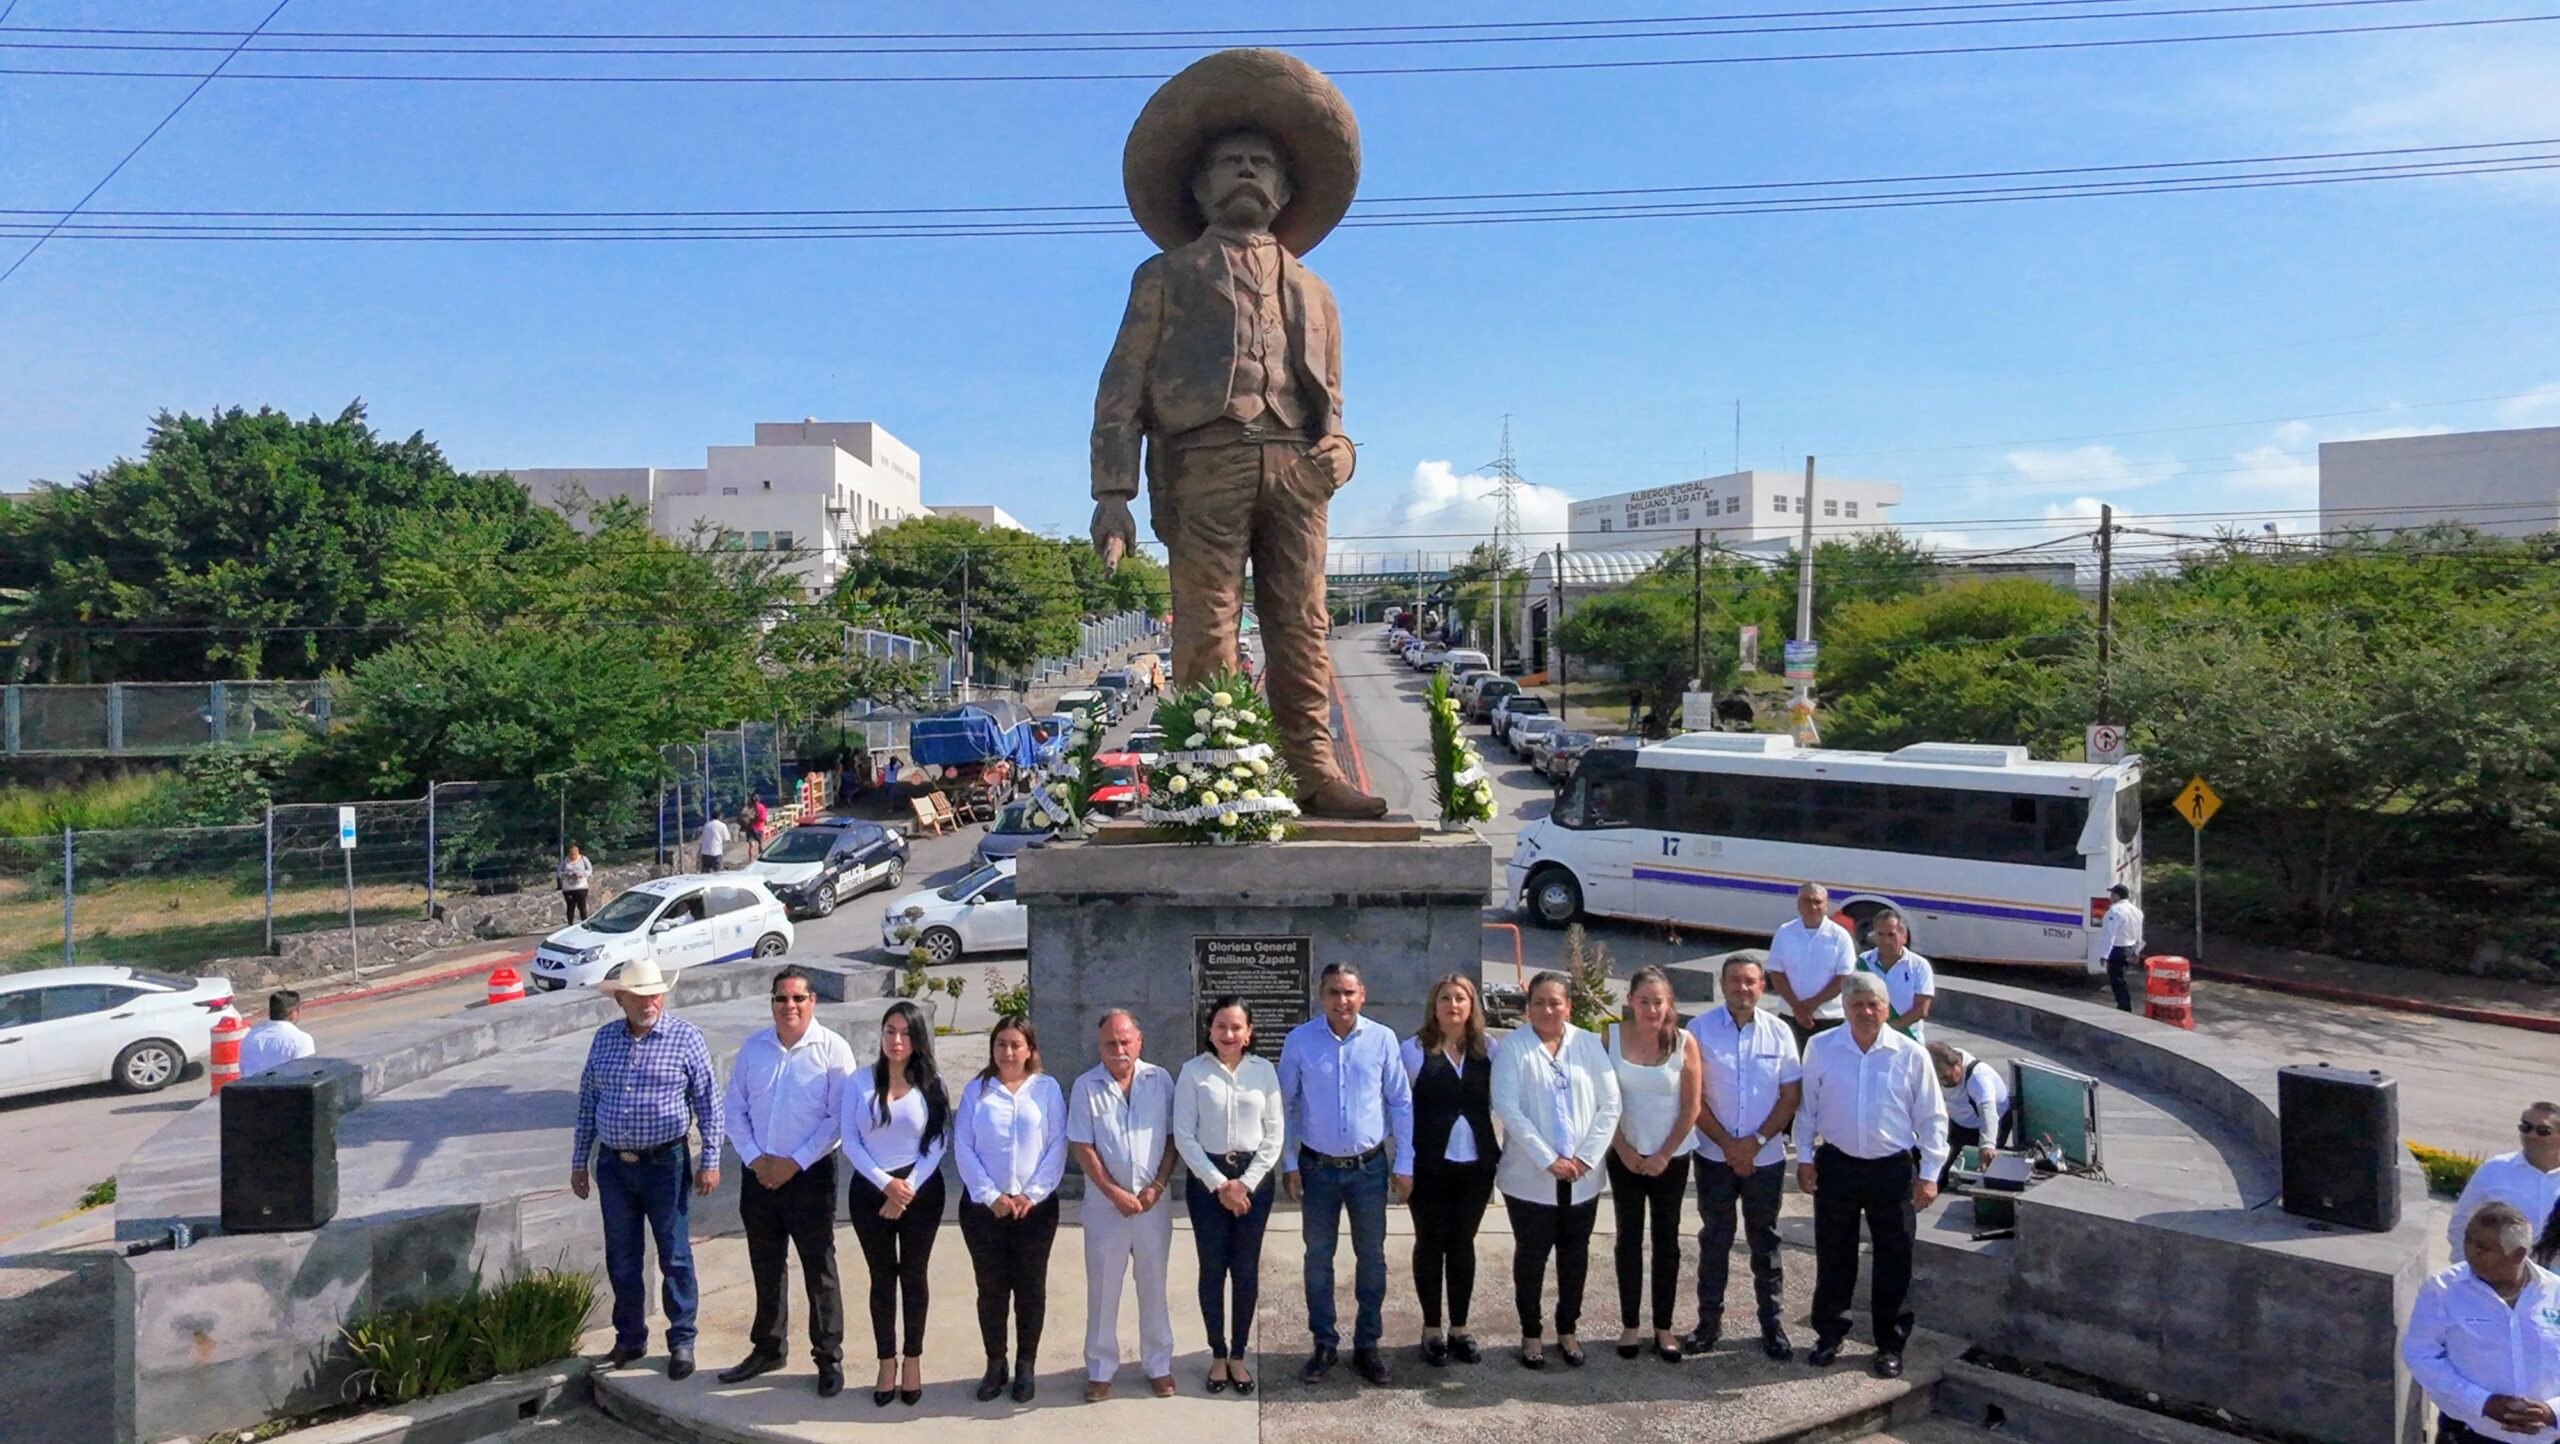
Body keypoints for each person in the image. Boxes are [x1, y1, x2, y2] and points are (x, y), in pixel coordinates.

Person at [1087, 51, 1387, 820]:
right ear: (1198, 187)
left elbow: (1334, 409)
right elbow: (1122, 387)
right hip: (1201, 463)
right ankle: (1214, 770)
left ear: (1285, 191)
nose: (1248, 171)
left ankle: (1312, 769)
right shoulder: (1164, 276)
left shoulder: (1316, 291)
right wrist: (1113, 493)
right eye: (1230, 162)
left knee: (1302, 623)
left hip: (1297, 471)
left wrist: (1340, 456)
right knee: (1208, 623)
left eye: (1263, 164)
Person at [570, 958, 722, 1378]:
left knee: (675, 1254)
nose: (648, 1003)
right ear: (620, 999)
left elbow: (709, 1102)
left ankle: (682, 1340)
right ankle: (630, 1338)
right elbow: (588, 1103)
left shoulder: (686, 1038)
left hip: (665, 1164)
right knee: (622, 1256)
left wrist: (710, 1160)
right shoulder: (604, 1040)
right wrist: (579, 1161)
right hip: (614, 1165)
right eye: (638, 996)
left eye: (655, 994)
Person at [1793, 971, 1947, 1379]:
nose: (1865, 1011)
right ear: (1845, 1008)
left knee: (1895, 1259)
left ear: (1886, 1008)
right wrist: (1804, 1157)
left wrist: (1930, 1173)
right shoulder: (1821, 1047)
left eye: (1873, 1004)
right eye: (1856, 1004)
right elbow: (1807, 1108)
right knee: (1834, 1254)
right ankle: (1829, 1334)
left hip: (1891, 1169)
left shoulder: (1910, 1054)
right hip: (1837, 1165)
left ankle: (1890, 1345)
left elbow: (1932, 1116)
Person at [716, 966, 857, 1396]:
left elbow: (838, 1118)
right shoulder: (754, 1049)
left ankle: (828, 1358)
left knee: (819, 1267)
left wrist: (794, 1163)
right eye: (781, 998)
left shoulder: (833, 1049)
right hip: (759, 1174)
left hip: (810, 1176)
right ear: (772, 1003)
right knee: (766, 1264)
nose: (789, 1006)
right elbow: (734, 1108)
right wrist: (756, 1159)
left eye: (798, 998)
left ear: (812, 1001)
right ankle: (768, 1348)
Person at [1277, 961, 1415, 1386]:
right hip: (1317, 1169)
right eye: (1334, 992)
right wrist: (1288, 1163)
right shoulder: (1300, 1040)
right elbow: (1284, 1105)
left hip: (1368, 1169)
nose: (1342, 1000)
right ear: (1321, 996)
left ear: (1362, 995)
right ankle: (1324, 1343)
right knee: (1318, 1258)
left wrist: (1404, 1163)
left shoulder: (1382, 1039)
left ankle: (1367, 1344)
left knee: (1371, 1258)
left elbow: (1400, 1103)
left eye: (1349, 992)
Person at [1491, 970, 1624, 1371]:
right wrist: (1548, 1158)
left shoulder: (1588, 1044)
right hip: (1529, 1178)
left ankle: (1568, 1329)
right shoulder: (1513, 1048)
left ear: (1568, 1006)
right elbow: (1508, 1108)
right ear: (1527, 1007)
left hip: (1582, 1178)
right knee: (1531, 1258)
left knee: (1574, 1257)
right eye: (1539, 1003)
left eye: (1555, 1002)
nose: (1547, 1010)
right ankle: (1531, 1333)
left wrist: (1584, 1158)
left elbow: (1610, 1104)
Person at [1684, 953, 1803, 1361]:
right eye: (1734, 980)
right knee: (1715, 1240)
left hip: (1765, 1158)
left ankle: (1772, 1326)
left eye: (1750, 981)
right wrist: (1729, 1145)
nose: (1742, 988)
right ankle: (1708, 1324)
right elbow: (1693, 1097)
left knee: (1765, 1242)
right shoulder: (1698, 1030)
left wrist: (1755, 1142)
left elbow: (1790, 1096)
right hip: (1714, 1156)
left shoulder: (1779, 1032)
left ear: (1762, 986)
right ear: (1722, 984)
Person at [839, 1000, 950, 1407]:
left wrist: (906, 1190)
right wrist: (886, 1185)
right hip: (871, 1189)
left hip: (921, 1192)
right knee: (882, 1278)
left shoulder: (932, 1082)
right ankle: (886, 1361)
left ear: (917, 1038)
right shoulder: (859, 1082)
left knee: (914, 1276)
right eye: (890, 1031)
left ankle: (913, 1360)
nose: (896, 1040)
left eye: (905, 1033)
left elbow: (938, 1141)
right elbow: (850, 1140)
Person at [1173, 996, 1284, 1394]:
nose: (1228, 1034)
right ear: (1210, 1030)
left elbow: (1274, 1134)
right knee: (1212, 1269)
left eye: (1237, 1027)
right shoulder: (1193, 1072)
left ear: (1249, 1032)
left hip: (1254, 1182)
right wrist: (1220, 1184)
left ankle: (1239, 1354)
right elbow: (1184, 1135)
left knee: (1245, 1270)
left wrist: (1245, 1183)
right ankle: (1217, 1353)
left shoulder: (1264, 1071)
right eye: (1221, 1026)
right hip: (1208, 1184)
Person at [954, 1015, 1066, 1404]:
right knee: (991, 1289)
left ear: (1030, 1049)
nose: (1007, 1052)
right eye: (1000, 1044)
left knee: (1031, 1289)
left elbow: (1057, 1145)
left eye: (1016, 1044)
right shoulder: (977, 1091)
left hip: (1034, 1211)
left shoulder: (1047, 1089)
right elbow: (963, 1147)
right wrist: (991, 1196)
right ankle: (995, 1363)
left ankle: (1026, 1365)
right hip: (985, 1211)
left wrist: (1030, 1195)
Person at [1068, 1009, 1179, 1402]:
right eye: (1110, 1043)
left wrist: (1157, 1186)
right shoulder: (1086, 1086)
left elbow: (1173, 1137)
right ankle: (1100, 1370)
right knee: (1103, 1289)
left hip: (1152, 1204)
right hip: (1105, 1208)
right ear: (1100, 1046)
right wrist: (1113, 1192)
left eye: (1125, 1041)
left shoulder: (1160, 1080)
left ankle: (1159, 1365)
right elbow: (1083, 1145)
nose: (1118, 1049)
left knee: (1154, 1286)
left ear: (1139, 1041)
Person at [1401, 973, 1500, 1368]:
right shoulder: (1413, 1051)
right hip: (1429, 1165)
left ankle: (1460, 1327)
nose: (1453, 1005)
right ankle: (1431, 1329)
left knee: (1462, 1243)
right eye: (1446, 998)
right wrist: (1402, 1165)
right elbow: (1401, 1111)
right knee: (1430, 1243)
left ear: (1472, 1005)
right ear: (1434, 1005)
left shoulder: (1488, 1049)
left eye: (1461, 998)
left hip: (1476, 1165)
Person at [1607, 965, 1702, 1362]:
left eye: (1658, 1002)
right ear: (1630, 1000)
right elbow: (1601, 1100)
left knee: (1667, 1241)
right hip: (1624, 1154)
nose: (1650, 1010)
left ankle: (1663, 1326)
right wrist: (1623, 1148)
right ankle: (1630, 1325)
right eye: (1643, 1001)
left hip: (1671, 1158)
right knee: (1628, 1239)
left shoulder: (1684, 1042)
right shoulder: (1609, 1036)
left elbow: (1692, 1105)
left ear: (1669, 1004)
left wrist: (1664, 1153)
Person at [2403, 1202, 2560, 1442]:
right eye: (2468, 1240)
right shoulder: (2443, 1290)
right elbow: (2420, 1355)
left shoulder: (2555, 1293)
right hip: (2469, 1435)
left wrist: (2551, 1413)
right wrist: (2481, 1402)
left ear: (2517, 1254)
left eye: (2483, 1248)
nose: (2470, 1252)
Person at [2451, 1103, 2560, 1252]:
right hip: (2498, 1266)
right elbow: (2461, 1223)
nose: (2532, 1135)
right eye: (2526, 1127)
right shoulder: (2494, 1169)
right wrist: (2470, 1263)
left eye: (2543, 1131)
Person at [1766, 883, 1856, 1052]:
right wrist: (1797, 1007)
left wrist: (1809, 1006)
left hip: (1830, 1019)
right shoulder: (1785, 932)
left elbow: (1843, 977)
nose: (1812, 906)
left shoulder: (1840, 936)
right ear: (1798, 904)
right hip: (1790, 1016)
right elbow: (1776, 973)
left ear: (1826, 905)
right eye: (1807, 901)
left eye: (1818, 901)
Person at [1927, 1041, 2011, 1185]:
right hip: (1959, 1122)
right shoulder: (1942, 1070)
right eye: (1939, 1079)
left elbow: (1988, 1113)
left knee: (1974, 1172)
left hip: (1988, 1125)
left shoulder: (1979, 1077)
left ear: (1957, 1063)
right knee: (1940, 1168)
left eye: (1946, 1077)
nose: (1943, 1083)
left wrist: (1987, 1145)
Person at [1856, 909, 1935, 1042]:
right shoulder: (1863, 962)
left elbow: (1921, 1009)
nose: (1886, 941)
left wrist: (1887, 1031)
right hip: (1868, 1038)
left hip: (1907, 1039)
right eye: (1880, 934)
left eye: (1891, 935)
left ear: (1904, 936)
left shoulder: (1919, 966)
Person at [238, 989, 316, 1079]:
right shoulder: (301, 1040)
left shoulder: (250, 1037)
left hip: (251, 1087)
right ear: (293, 1013)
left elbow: (244, 1070)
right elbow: (305, 1076)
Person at [2100, 884, 2146, 1013]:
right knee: (2121, 978)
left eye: (2112, 894)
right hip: (2130, 947)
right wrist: (2137, 951)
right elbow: (2139, 933)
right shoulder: (2136, 911)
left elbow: (2110, 934)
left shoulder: (2115, 911)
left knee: (2117, 980)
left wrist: (2104, 954)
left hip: (2118, 949)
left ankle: (2124, 1007)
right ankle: (2123, 1005)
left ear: (2117, 895)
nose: (2110, 897)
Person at [558, 845, 595, 924]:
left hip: (581, 887)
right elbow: (559, 872)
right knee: (570, 907)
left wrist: (581, 874)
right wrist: (566, 874)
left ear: (578, 853)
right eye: (571, 855)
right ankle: (570, 924)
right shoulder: (565, 860)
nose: (573, 856)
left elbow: (589, 870)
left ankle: (584, 923)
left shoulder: (583, 859)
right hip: (568, 888)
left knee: (582, 906)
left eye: (574, 855)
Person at [695, 810, 731, 874]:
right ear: (720, 816)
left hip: (705, 851)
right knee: (718, 872)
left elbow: (703, 837)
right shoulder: (722, 825)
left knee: (705, 871)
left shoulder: (707, 825)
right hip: (716, 851)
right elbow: (727, 838)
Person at [747, 795, 771, 863]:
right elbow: (763, 818)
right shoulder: (761, 807)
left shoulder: (748, 807)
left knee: (751, 845)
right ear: (758, 800)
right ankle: (761, 859)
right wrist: (766, 824)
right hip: (759, 828)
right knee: (760, 844)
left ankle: (750, 860)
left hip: (750, 828)